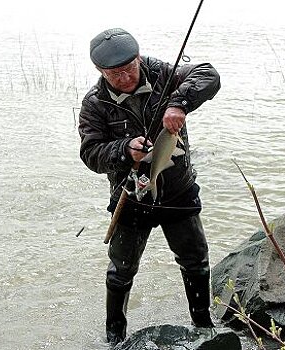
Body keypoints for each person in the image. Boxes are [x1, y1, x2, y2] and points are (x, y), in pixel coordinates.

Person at [77, 28, 221, 345]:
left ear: (139, 58)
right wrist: (125, 149)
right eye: (116, 73)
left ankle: (203, 326)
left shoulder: (162, 73)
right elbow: (90, 154)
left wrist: (179, 104)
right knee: (120, 272)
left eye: (130, 67)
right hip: (130, 196)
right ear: (101, 71)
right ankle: (114, 337)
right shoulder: (94, 104)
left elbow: (208, 74)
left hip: (178, 190)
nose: (126, 76)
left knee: (196, 261)